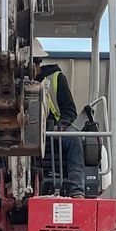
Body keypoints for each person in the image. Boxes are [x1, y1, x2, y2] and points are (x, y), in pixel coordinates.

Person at [34, 40, 86, 196]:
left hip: (56, 129)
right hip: (30, 132)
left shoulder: (55, 78)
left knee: (74, 138)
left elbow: (69, 110)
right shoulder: (13, 84)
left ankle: (76, 188)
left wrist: (62, 124)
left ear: (37, 62)